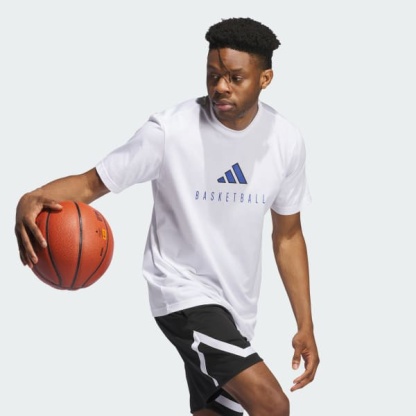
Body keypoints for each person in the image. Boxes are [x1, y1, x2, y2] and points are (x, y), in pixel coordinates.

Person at [15, 17, 319, 416]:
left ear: (265, 79)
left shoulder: (285, 140)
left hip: (237, 309)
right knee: (272, 405)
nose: (220, 86)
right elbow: (91, 184)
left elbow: (288, 235)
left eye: (234, 78)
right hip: (182, 293)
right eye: (213, 75)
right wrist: (32, 197)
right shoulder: (170, 131)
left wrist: (305, 324)